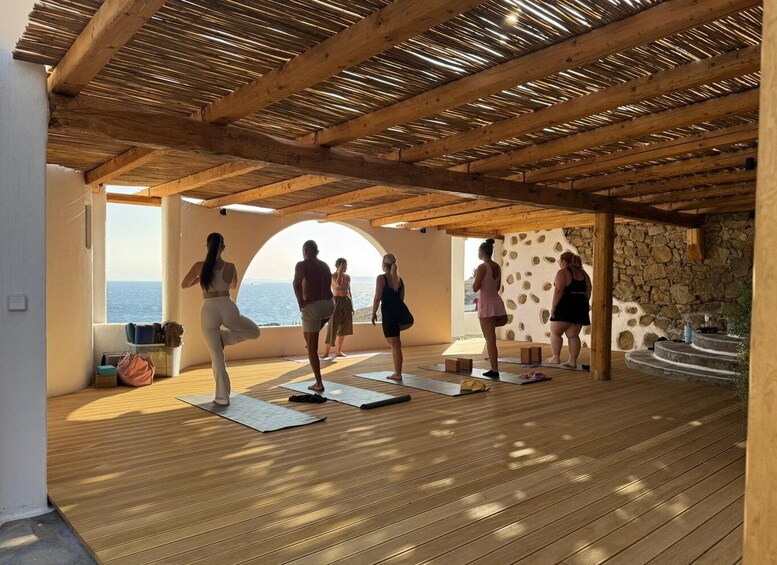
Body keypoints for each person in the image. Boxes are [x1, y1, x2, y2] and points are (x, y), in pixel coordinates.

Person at [181, 233, 260, 406]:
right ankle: (225, 338)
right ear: (223, 247)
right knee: (255, 331)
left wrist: (201, 278)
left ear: (206, 246)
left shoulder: (199, 266)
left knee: (217, 358)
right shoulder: (231, 266)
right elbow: (233, 286)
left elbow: (184, 284)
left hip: (209, 309)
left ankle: (222, 398)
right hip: (227, 306)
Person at [293, 240, 335, 392]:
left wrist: (300, 302)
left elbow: (296, 283)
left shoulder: (302, 265)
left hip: (313, 307)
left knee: (312, 348)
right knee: (310, 335)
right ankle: (310, 338)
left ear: (305, 251)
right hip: (330, 306)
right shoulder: (325, 265)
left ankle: (318, 383)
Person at [371, 253, 413, 381]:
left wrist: (373, 312)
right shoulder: (399, 279)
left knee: (395, 345)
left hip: (389, 315)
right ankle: (397, 372)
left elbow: (377, 297)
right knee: (395, 344)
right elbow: (401, 298)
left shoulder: (381, 278)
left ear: (384, 264)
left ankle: (397, 373)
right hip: (401, 314)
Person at [547, 251, 592, 368]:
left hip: (565, 304)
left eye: (559, 261)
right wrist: (582, 304)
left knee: (555, 332)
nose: (559, 263)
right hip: (580, 305)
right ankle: (572, 361)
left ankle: (555, 357)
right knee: (573, 335)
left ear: (564, 261)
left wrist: (554, 307)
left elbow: (558, 290)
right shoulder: (584, 274)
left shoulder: (562, 272)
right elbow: (588, 292)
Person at [472, 238, 508, 377]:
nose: (478, 254)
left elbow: (475, 288)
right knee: (491, 338)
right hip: (496, 303)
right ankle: (494, 368)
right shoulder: (497, 266)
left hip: (486, 305)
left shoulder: (482, 267)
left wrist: (476, 276)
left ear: (482, 252)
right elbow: (497, 287)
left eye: (478, 251)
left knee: (490, 340)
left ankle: (495, 369)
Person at [321, 258, 354, 358]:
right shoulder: (333, 276)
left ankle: (338, 351)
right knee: (332, 327)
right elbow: (338, 284)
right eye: (344, 266)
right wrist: (340, 272)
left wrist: (352, 306)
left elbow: (349, 291)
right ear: (338, 266)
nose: (346, 267)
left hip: (346, 302)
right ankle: (326, 352)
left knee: (344, 328)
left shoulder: (348, 277)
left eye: (346, 266)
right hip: (336, 301)